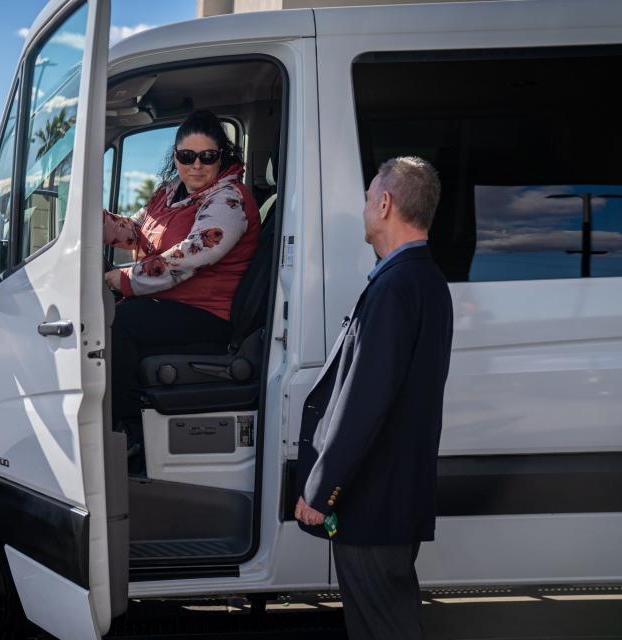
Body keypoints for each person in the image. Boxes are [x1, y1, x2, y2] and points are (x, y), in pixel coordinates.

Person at [294, 157, 453, 640]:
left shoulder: (395, 287)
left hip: (373, 506)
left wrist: (321, 491)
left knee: (382, 628)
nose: (364, 208)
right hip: (394, 500)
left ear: (385, 204)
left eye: (367, 198)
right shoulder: (424, 280)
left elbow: (364, 402)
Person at [103, 110, 261, 429]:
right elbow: (137, 230)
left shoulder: (229, 200)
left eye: (207, 156)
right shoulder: (171, 192)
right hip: (170, 302)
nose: (196, 165)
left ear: (222, 157)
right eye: (187, 156)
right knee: (108, 315)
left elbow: (188, 256)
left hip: (207, 314)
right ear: (175, 157)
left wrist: (122, 280)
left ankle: (124, 429)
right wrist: (91, 222)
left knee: (114, 325)